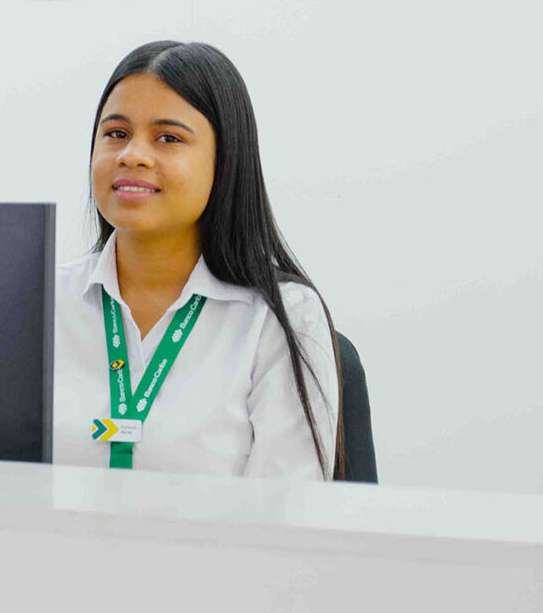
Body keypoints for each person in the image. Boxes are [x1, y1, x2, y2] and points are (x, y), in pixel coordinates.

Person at [56, 40, 339, 478]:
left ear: (225, 161)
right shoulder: (39, 301)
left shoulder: (280, 319)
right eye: (116, 134)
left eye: (168, 138)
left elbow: (287, 511)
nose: (132, 155)